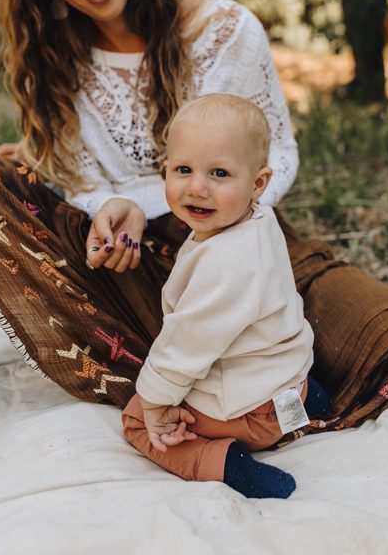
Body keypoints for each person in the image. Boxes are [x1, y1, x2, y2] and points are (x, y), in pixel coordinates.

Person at [0, 0, 388, 445]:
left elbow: (275, 156)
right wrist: (111, 208)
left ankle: (243, 388)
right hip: (137, 277)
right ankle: (177, 378)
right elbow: (79, 179)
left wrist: (148, 202)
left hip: (248, 254)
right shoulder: (55, 65)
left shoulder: (222, 31)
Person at [123, 94, 322, 498]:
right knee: (260, 351)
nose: (197, 188)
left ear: (258, 182)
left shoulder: (227, 262)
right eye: (183, 170)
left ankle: (224, 463)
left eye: (218, 173)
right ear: (165, 171)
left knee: (136, 421)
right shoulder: (258, 220)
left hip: (253, 412)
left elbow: (188, 342)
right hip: (288, 381)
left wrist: (156, 401)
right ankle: (307, 400)